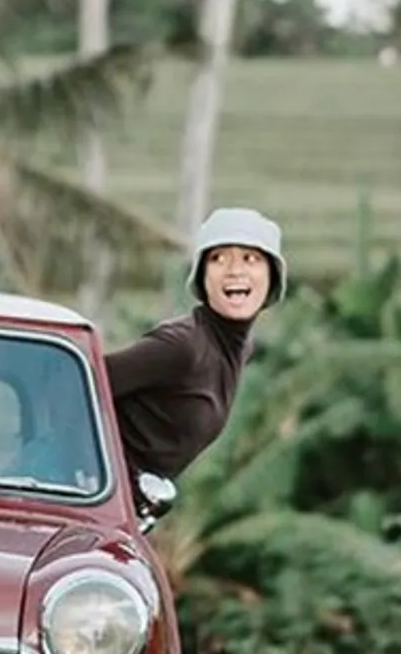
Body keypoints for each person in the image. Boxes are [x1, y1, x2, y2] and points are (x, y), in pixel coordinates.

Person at [106, 207, 286, 487]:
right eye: (218, 259)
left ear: (272, 277)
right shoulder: (181, 346)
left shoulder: (239, 348)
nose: (235, 271)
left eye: (250, 259)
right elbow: (80, 380)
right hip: (89, 502)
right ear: (202, 277)